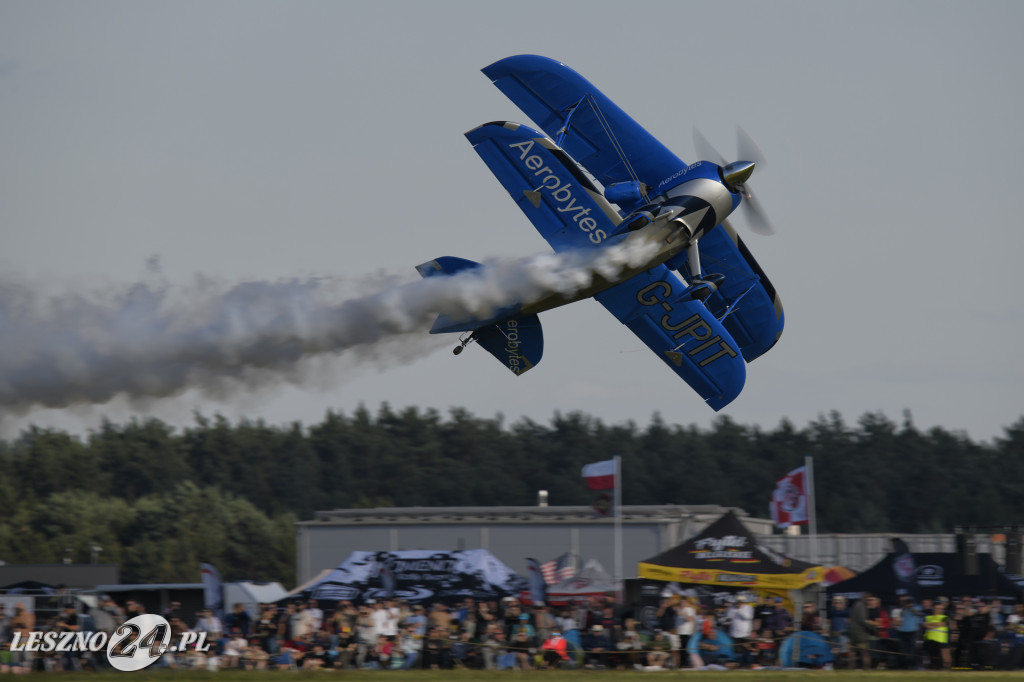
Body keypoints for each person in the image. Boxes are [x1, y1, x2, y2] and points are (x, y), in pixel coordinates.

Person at [893, 595, 923, 669]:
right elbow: (901, 614)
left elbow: (919, 614)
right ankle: (904, 665)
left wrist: (911, 607)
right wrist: (905, 606)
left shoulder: (916, 608)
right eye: (905, 602)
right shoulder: (902, 609)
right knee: (903, 649)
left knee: (912, 649)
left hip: (912, 632)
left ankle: (912, 665)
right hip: (903, 631)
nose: (907, 603)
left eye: (908, 601)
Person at [847, 594, 875, 670]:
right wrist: (871, 627)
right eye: (868, 599)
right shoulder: (862, 606)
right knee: (865, 652)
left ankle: (851, 667)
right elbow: (862, 620)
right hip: (860, 633)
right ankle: (867, 668)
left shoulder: (855, 604)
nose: (869, 602)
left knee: (852, 652)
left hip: (852, 632)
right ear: (865, 598)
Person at [923, 600, 951, 670]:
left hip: (940, 639)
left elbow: (942, 624)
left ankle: (939, 667)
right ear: (933, 608)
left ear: (942, 609)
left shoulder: (945, 617)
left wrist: (931, 625)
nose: (937, 610)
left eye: (939, 608)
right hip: (930, 639)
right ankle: (933, 667)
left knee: (939, 655)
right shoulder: (928, 617)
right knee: (931, 655)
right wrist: (935, 625)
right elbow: (925, 625)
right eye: (936, 608)